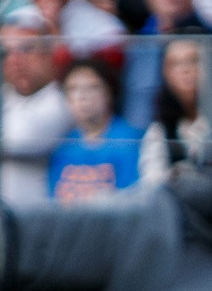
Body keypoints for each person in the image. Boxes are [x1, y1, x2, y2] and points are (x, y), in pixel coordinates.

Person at [46, 58, 147, 201]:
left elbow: (132, 198)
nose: (82, 96)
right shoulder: (63, 147)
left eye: (92, 87)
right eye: (73, 89)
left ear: (108, 93)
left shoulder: (130, 139)